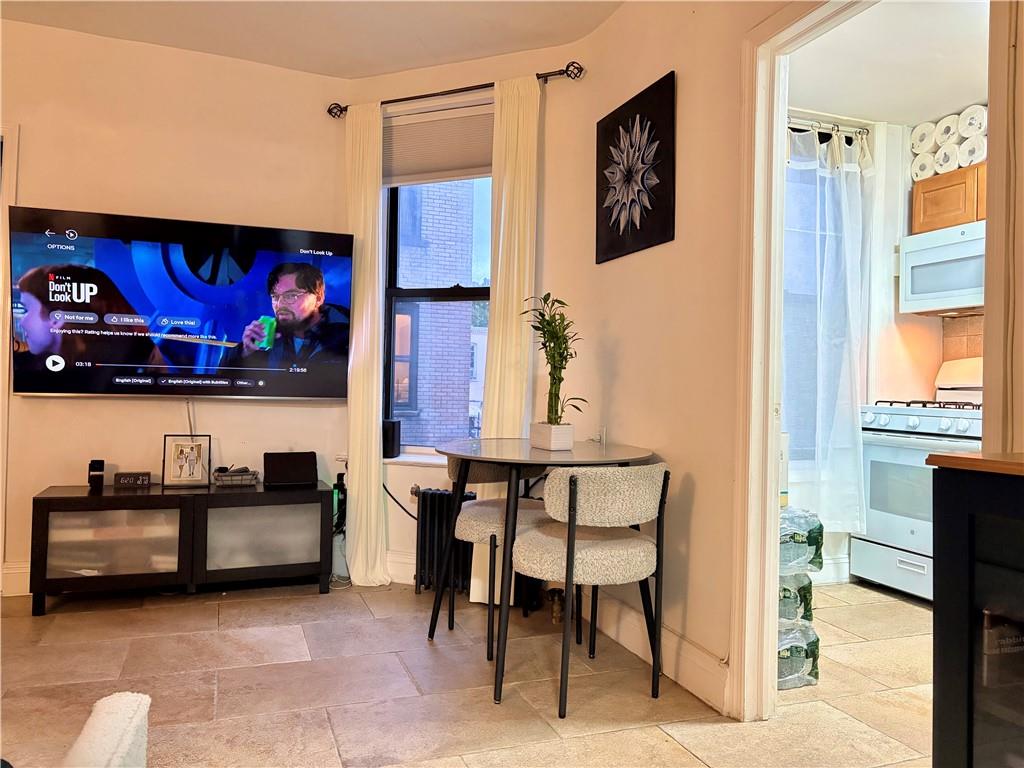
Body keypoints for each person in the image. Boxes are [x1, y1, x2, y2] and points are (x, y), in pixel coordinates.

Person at [15, 264, 167, 370]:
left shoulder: (140, 358)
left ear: (57, 318)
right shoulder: (24, 367)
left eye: (27, 309)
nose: (22, 322)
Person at [222, 262, 349, 369]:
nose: (279, 304)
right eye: (275, 296)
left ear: (319, 298)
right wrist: (243, 352)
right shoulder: (266, 335)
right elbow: (223, 378)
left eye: (291, 295)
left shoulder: (349, 335)